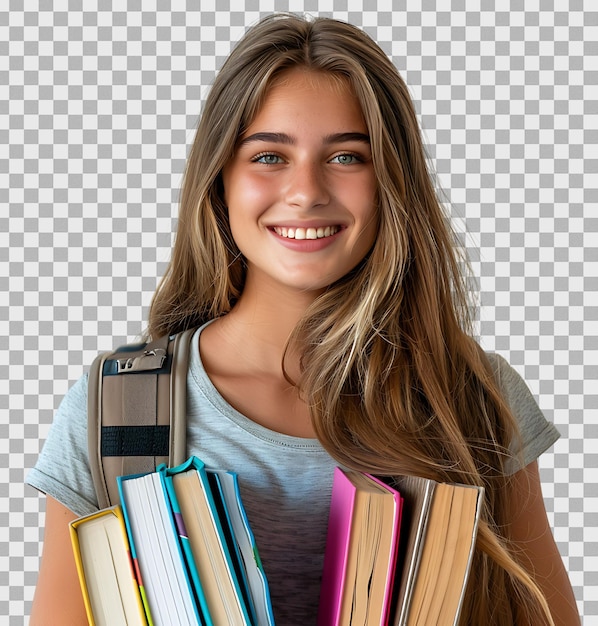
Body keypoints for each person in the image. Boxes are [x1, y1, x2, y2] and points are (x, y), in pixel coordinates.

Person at [27, 13, 579, 625]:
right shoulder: (116, 410)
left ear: (392, 182)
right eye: (269, 156)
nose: (306, 190)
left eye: (346, 156)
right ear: (221, 181)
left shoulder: (474, 396)